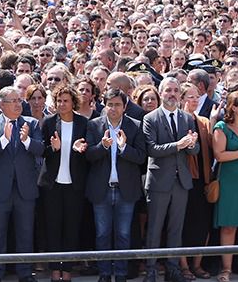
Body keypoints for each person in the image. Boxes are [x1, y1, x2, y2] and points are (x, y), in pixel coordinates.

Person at [0, 86, 43, 282]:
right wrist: (4, 139)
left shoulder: (31, 123)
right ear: (1, 105)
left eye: (19, 100)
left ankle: (25, 272)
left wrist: (26, 141)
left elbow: (41, 149)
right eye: (13, 101)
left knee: (25, 233)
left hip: (25, 189)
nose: (19, 104)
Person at [85, 89, 146, 282]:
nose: (113, 108)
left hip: (125, 190)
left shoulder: (135, 126)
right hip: (101, 189)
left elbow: (141, 157)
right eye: (109, 104)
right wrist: (102, 146)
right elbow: (88, 156)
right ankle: (104, 273)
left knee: (123, 234)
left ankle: (120, 274)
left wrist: (123, 147)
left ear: (124, 106)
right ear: (104, 105)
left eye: (117, 104)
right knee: (102, 234)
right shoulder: (94, 125)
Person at [142, 77, 199, 282]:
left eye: (176, 90)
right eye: (168, 90)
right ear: (161, 92)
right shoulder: (151, 118)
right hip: (159, 181)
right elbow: (152, 149)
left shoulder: (187, 118)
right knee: (155, 228)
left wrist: (191, 144)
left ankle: (173, 268)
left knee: (176, 228)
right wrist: (178, 145)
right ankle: (151, 269)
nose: (172, 94)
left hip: (181, 181)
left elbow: (195, 149)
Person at [40, 85, 89, 282]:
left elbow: (90, 152)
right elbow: (42, 150)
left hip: (74, 185)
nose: (61, 104)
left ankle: (67, 270)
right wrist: (54, 149)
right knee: (53, 227)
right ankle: (54, 271)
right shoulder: (49, 122)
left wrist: (80, 150)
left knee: (71, 227)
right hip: (52, 185)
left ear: (73, 102)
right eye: (59, 101)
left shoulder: (84, 123)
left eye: (66, 101)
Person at [178, 83, 214, 280]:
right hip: (183, 180)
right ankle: (184, 266)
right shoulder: (177, 120)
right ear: (182, 98)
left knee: (202, 224)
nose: (195, 100)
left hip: (202, 180)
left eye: (197, 96)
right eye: (190, 96)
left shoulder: (204, 122)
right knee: (182, 224)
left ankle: (197, 264)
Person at [212, 90, 238, 282]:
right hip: (230, 182)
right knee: (229, 226)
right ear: (235, 107)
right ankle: (226, 269)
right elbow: (219, 155)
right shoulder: (222, 127)